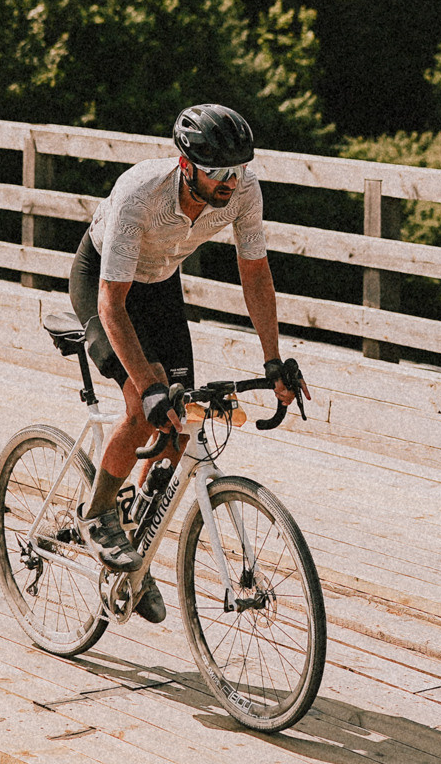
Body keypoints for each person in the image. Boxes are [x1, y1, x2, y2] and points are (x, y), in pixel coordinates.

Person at [69, 101, 309, 619]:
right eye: (218, 171)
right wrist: (148, 384)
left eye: (239, 168)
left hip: (159, 285)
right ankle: (97, 512)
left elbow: (256, 274)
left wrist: (273, 362)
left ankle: (136, 548)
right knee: (143, 401)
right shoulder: (141, 193)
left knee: (183, 419)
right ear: (185, 165)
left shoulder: (243, 193)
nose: (230, 181)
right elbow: (111, 303)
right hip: (104, 283)